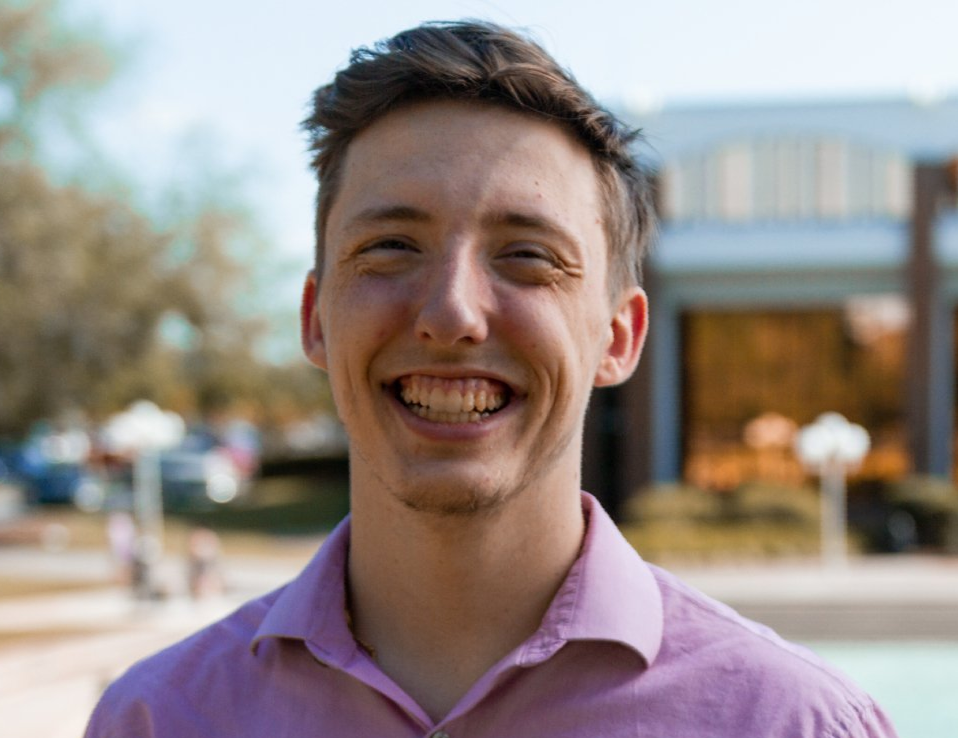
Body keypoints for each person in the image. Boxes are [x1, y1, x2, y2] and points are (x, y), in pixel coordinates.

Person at [85, 20, 898, 737]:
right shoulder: (157, 721)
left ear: (619, 336)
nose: (452, 314)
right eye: (391, 247)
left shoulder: (795, 725)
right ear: (315, 320)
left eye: (527, 257)